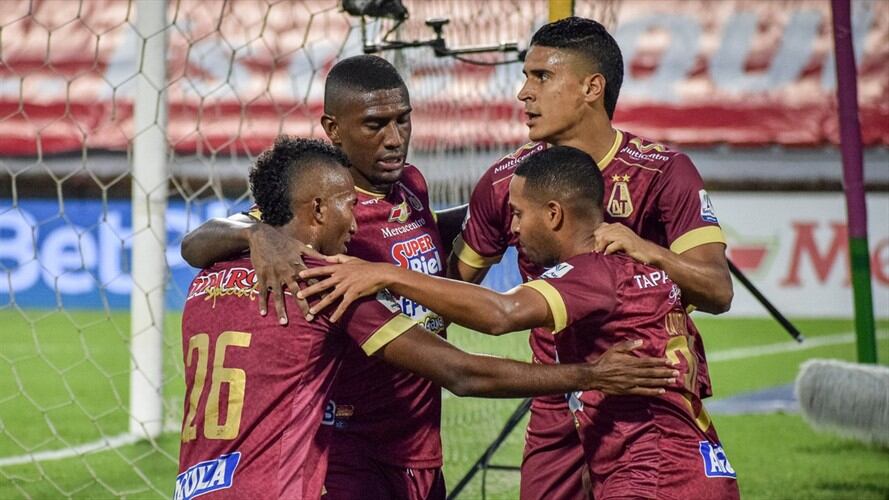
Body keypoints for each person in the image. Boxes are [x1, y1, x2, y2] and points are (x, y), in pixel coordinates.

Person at [176, 137, 678, 500]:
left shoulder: (209, 273)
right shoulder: (324, 283)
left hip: (195, 485)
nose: (357, 219)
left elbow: (196, 242)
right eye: (349, 205)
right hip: (294, 481)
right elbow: (462, 371)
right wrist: (591, 375)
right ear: (316, 209)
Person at [298, 146, 740, 500]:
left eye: (518, 214)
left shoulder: (593, 272)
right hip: (693, 462)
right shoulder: (638, 264)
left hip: (651, 471)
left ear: (553, 214)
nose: (513, 227)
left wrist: (385, 273)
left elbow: (500, 314)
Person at [447, 17, 734, 499]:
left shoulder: (664, 173)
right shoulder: (506, 183)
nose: (523, 93)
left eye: (541, 76)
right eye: (525, 76)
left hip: (643, 394)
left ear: (591, 87)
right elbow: (455, 286)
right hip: (557, 401)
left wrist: (649, 250)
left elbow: (718, 290)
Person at [179, 56, 463, 499]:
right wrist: (255, 232)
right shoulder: (324, 211)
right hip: (350, 448)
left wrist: (492, 207)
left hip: (419, 440)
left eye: (402, 121)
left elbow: (419, 233)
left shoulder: (411, 184)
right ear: (332, 128)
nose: (395, 139)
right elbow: (195, 244)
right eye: (375, 125)